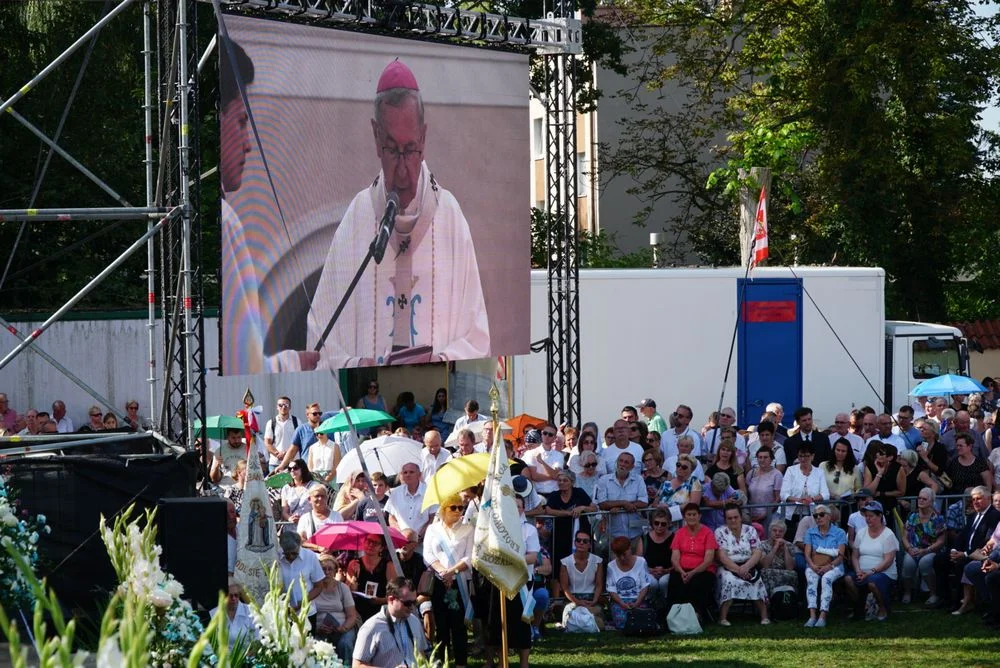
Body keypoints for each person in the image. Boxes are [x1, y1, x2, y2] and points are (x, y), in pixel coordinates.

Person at [301, 59, 487, 369]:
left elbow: (477, 335)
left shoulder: (450, 216)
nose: (402, 171)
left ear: (424, 139)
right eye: (391, 150)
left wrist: (440, 359)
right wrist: (358, 363)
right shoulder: (357, 218)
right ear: (376, 137)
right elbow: (321, 335)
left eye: (410, 150)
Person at [423, 495, 473, 668]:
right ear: (444, 509)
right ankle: (442, 662)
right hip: (439, 582)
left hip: (459, 582)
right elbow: (428, 555)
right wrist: (443, 572)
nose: (458, 511)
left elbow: (470, 557)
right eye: (454, 507)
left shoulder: (468, 529)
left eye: (461, 508)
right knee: (441, 624)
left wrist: (452, 572)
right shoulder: (432, 529)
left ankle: (461, 663)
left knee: (459, 624)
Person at [932, 486, 1000, 611]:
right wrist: (954, 551)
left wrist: (964, 554)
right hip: (964, 551)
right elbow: (962, 536)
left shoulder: (994, 516)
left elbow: (986, 542)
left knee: (961, 564)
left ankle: (959, 602)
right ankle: (944, 597)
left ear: (988, 498)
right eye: (973, 499)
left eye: (979, 499)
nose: (975, 502)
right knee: (940, 559)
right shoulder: (974, 515)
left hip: (978, 554)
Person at [353, 577, 429, 668]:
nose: (412, 607)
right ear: (391, 600)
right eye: (407, 603)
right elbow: (357, 665)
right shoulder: (371, 627)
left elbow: (422, 655)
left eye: (414, 602)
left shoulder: (415, 621)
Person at [715, 504, 770, 626]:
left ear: (741, 517)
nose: (733, 520)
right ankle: (723, 617)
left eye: (736, 517)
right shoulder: (720, 532)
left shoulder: (750, 530)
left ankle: (764, 616)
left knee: (757, 581)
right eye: (729, 518)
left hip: (748, 565)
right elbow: (722, 556)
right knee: (728, 580)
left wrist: (746, 567)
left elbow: (757, 552)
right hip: (728, 567)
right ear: (725, 519)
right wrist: (738, 569)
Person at [850, 500, 899, 621]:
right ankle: (862, 607)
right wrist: (858, 571)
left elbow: (888, 561)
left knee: (872, 582)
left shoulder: (888, 535)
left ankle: (883, 608)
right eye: (866, 516)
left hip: (883, 573)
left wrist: (870, 572)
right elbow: (855, 555)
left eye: (871, 516)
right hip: (863, 572)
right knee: (848, 579)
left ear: (880, 516)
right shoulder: (861, 533)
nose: (868, 519)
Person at [669, 502, 718, 622]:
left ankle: (696, 615)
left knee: (697, 582)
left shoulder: (708, 533)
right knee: (675, 580)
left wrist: (692, 573)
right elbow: (674, 558)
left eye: (694, 514)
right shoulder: (679, 533)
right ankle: (674, 615)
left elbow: (708, 560)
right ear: (684, 517)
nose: (691, 517)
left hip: (703, 570)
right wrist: (681, 572)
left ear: (699, 516)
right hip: (682, 570)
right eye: (688, 514)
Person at [802, 504, 847, 628]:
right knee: (811, 579)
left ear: (829, 516)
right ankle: (812, 616)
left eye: (821, 515)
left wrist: (829, 566)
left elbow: (841, 555)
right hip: (814, 565)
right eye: (815, 516)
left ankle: (823, 616)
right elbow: (807, 554)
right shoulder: (810, 532)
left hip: (835, 566)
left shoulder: (839, 532)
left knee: (826, 579)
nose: (818, 518)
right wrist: (812, 566)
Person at [900, 487, 946, 604]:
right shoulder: (912, 516)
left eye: (924, 499)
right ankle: (907, 593)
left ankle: (933, 594)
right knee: (907, 563)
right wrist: (909, 548)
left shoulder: (938, 518)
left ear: (931, 502)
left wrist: (926, 550)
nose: (920, 500)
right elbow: (904, 536)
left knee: (924, 562)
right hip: (913, 549)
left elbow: (941, 541)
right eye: (919, 498)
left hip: (931, 550)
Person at [544, 470, 596, 567]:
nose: (561, 483)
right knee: (560, 563)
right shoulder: (554, 495)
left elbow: (594, 508)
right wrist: (568, 513)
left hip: (580, 533)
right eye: (559, 480)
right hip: (559, 535)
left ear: (572, 482)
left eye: (565, 480)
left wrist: (582, 508)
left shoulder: (579, 492)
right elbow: (548, 510)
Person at [779, 442, 830, 536]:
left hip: (812, 515)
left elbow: (825, 494)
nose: (803, 459)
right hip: (791, 515)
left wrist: (812, 499)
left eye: (806, 456)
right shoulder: (790, 470)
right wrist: (799, 500)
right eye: (800, 456)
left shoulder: (819, 472)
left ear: (812, 456)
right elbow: (783, 494)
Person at [594, 451, 647, 542]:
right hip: (613, 533)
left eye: (626, 462)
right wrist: (623, 503)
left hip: (635, 531)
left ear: (632, 467)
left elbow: (644, 502)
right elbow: (602, 504)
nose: (622, 464)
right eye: (620, 461)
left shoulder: (638, 479)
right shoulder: (604, 480)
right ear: (617, 462)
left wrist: (617, 506)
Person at [315, 553, 358, 662]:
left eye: (330, 569)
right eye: (323, 569)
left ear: (335, 572)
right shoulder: (312, 588)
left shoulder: (343, 588)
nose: (327, 572)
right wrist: (317, 628)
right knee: (315, 645)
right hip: (319, 629)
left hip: (342, 628)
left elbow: (352, 615)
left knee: (345, 643)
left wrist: (342, 628)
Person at [347, 533, 400, 622]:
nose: (371, 545)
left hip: (381, 609)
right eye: (368, 541)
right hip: (357, 609)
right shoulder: (354, 563)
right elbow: (347, 592)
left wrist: (381, 600)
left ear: (381, 548)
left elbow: (395, 593)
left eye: (375, 543)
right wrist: (353, 580)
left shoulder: (388, 566)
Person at [560, 530, 606, 628]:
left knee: (594, 611)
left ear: (590, 545)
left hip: (591, 600)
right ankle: (587, 621)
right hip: (572, 600)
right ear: (574, 542)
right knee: (573, 611)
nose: (581, 543)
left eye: (585, 541)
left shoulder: (597, 561)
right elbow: (565, 588)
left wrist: (594, 600)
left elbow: (599, 585)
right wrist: (578, 602)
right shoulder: (565, 562)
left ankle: (579, 621)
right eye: (578, 540)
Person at [277, 532, 325, 626]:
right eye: (287, 554)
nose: (290, 557)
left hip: (307, 613)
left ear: (299, 546)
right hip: (283, 613)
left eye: (294, 553)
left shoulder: (310, 556)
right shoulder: (276, 556)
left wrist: (301, 603)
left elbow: (318, 586)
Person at [605, 536, 651, 630]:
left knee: (639, 618)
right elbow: (611, 590)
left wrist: (637, 602)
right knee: (622, 621)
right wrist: (621, 603)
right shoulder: (611, 566)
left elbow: (645, 585)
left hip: (638, 599)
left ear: (630, 548)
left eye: (624, 554)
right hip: (619, 601)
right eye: (618, 555)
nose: (622, 558)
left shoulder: (641, 562)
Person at [386, 463, 433, 541]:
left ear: (419, 474)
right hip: (401, 542)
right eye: (405, 472)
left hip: (423, 542)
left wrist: (419, 537)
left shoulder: (429, 491)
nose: (408, 475)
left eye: (411, 472)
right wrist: (401, 535)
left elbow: (433, 518)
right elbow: (391, 518)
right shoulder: (396, 492)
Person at [636, 508, 673, 607]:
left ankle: (667, 604)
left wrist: (666, 570)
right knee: (652, 583)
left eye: (663, 523)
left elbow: (679, 560)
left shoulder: (674, 538)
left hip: (669, 572)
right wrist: (650, 570)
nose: (659, 526)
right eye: (656, 523)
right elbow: (638, 562)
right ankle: (648, 604)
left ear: (669, 523)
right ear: (652, 523)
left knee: (664, 581)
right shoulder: (644, 539)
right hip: (649, 572)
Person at [862, 442, 905, 518]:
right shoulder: (870, 467)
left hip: (891, 504)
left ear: (890, 457)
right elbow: (868, 492)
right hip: (873, 504)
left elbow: (901, 492)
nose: (877, 455)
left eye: (881, 453)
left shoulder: (898, 468)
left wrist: (881, 493)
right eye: (878, 452)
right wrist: (879, 474)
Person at [211, 579, 257, 649]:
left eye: (236, 595)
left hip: (248, 657)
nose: (234, 598)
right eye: (230, 596)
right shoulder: (214, 614)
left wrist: (253, 651)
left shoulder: (250, 611)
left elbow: (257, 637)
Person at [758, 519, 799, 597]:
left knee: (793, 574)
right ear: (770, 531)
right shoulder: (762, 545)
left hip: (785, 573)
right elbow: (764, 565)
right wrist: (775, 548)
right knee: (765, 572)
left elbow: (790, 568)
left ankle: (790, 600)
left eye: (780, 531)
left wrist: (785, 549)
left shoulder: (789, 545)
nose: (777, 533)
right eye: (774, 530)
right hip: (769, 573)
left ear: (784, 533)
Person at [298, 486, 344, 550]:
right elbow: (301, 541)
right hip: (312, 557)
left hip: (333, 557)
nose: (320, 499)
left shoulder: (336, 516)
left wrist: (331, 549)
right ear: (309, 499)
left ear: (327, 498)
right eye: (317, 496)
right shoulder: (305, 518)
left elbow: (342, 539)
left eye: (323, 496)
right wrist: (318, 548)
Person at [746, 447, 783, 524]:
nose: (762, 460)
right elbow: (746, 493)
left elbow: (778, 498)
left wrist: (765, 514)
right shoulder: (751, 473)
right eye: (760, 457)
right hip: (751, 516)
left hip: (769, 516)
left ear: (771, 459)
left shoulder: (777, 475)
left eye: (765, 457)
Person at [280, 458, 322, 524]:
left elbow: (319, 507)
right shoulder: (286, 488)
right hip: (291, 525)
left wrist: (305, 519)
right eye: (290, 469)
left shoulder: (314, 486)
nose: (292, 471)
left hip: (309, 524)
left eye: (295, 468)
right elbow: (284, 511)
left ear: (303, 469)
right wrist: (290, 518)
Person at [263, 397, 299, 473]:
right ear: (277, 407)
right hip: (275, 463)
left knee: (294, 485)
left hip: (293, 463)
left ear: (290, 407)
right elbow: (267, 443)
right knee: (275, 485)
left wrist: (287, 454)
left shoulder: (297, 422)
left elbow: (299, 441)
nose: (283, 407)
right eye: (280, 405)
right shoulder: (271, 423)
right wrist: (277, 453)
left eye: (286, 405)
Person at [821, 437, 862, 503]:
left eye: (843, 451)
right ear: (834, 450)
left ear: (848, 452)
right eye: (838, 450)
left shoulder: (855, 469)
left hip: (847, 505)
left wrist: (852, 495)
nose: (840, 453)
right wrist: (832, 495)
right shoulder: (823, 466)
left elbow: (858, 489)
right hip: (827, 505)